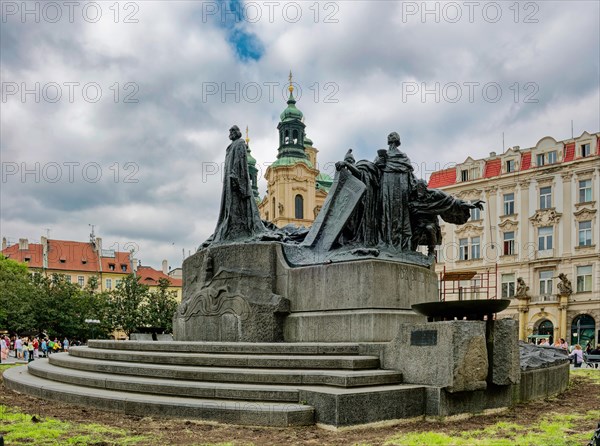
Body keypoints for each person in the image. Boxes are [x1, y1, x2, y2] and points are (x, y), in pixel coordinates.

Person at [211, 125, 266, 244]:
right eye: (229, 131)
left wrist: (235, 176)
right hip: (229, 183)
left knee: (237, 206)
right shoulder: (230, 147)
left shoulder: (240, 144)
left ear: (237, 132)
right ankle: (232, 229)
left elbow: (239, 161)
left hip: (235, 179)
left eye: (232, 131)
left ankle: (238, 229)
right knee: (230, 206)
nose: (230, 133)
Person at [376, 132, 415, 251]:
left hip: (397, 187)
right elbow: (375, 169)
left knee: (397, 214)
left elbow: (409, 174)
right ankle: (387, 241)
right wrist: (380, 163)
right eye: (390, 141)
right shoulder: (388, 156)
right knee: (386, 212)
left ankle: (394, 243)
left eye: (392, 141)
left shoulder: (402, 156)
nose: (391, 144)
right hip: (389, 186)